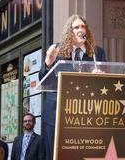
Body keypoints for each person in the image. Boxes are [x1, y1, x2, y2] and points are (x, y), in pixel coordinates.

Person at [39, 14, 106, 160]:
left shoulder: (97, 53)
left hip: (83, 113)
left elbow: (105, 83)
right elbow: (43, 81)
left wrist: (100, 76)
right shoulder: (57, 51)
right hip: (56, 112)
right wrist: (48, 63)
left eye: (83, 27)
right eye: (76, 27)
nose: (81, 30)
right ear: (69, 32)